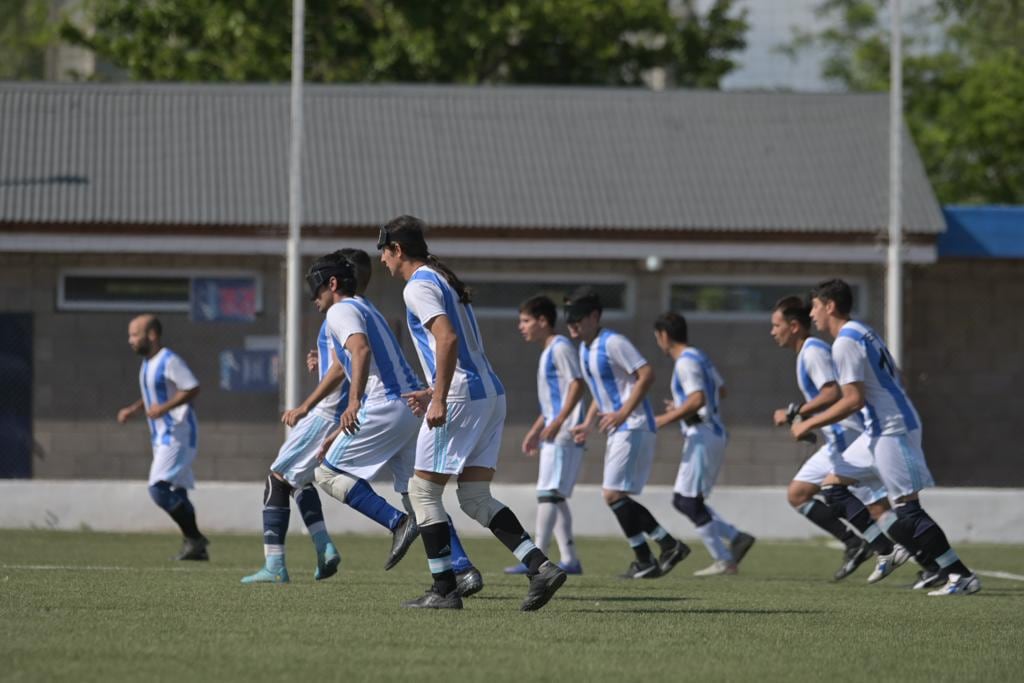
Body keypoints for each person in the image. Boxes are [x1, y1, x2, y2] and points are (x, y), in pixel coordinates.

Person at [379, 215, 566, 611]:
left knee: (422, 491)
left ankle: (444, 589)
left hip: (463, 396)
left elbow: (447, 338)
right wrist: (434, 389)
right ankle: (540, 566)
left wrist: (440, 398)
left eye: (384, 251)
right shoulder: (441, 278)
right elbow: (459, 348)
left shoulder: (418, 286)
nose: (382, 260)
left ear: (397, 250)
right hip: (489, 393)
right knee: (475, 497)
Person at [312, 249, 483, 597]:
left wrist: (355, 402)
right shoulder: (366, 307)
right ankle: (462, 569)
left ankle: (396, 523)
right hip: (409, 408)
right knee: (417, 495)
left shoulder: (340, 310)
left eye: (314, 289)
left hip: (383, 405)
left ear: (332, 283)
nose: (313, 298)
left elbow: (359, 351)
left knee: (325, 474)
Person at [793, 279, 979, 596]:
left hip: (893, 428)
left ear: (830, 306)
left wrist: (806, 423)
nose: (812, 314)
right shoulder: (863, 331)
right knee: (832, 487)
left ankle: (958, 575)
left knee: (907, 509)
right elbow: (896, 376)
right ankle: (886, 549)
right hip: (878, 428)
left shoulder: (844, 342)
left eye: (814, 307)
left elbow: (853, 399)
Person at [769, 296, 903, 582]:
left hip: (848, 435)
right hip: (836, 438)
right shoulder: (807, 351)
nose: (772, 331)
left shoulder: (813, 351)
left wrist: (795, 413)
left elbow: (832, 393)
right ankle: (856, 544)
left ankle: (928, 561)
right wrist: (806, 423)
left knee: (877, 506)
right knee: (798, 494)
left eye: (776, 325)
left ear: (793, 326)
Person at [565, 288, 689, 580]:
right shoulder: (585, 348)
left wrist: (622, 412)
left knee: (612, 493)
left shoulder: (613, 343)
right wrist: (587, 421)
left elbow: (646, 374)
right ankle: (647, 557)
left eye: (578, 319)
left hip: (633, 424)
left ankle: (666, 546)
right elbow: (600, 389)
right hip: (620, 426)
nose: (572, 325)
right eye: (569, 320)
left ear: (594, 317)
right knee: (616, 495)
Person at [652, 312, 755, 576]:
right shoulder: (700, 356)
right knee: (683, 500)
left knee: (688, 502)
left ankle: (724, 559)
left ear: (664, 335)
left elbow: (697, 399)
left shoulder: (685, 362)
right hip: (709, 432)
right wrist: (682, 407)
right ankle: (735, 537)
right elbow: (719, 391)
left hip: (703, 433)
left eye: (657, 338)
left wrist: (664, 418)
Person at [117, 315, 207, 561]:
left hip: (178, 433)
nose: (130, 340)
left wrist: (164, 409)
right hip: (162, 436)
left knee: (158, 489)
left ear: (152, 335)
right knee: (176, 489)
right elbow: (153, 395)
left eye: (135, 334)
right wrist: (134, 409)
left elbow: (192, 388)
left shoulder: (169, 360)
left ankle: (196, 538)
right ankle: (195, 547)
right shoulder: (148, 363)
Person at [506, 295, 585, 575]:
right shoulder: (549, 350)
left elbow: (578, 384)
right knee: (557, 496)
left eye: (526, 320)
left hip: (564, 433)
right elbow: (556, 399)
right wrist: (537, 429)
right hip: (555, 430)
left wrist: (559, 421)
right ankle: (570, 560)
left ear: (543, 321)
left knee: (548, 493)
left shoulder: (561, 347)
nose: (521, 326)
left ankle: (535, 560)